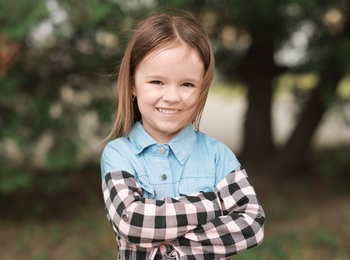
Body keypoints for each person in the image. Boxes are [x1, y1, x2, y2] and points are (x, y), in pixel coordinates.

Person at [101, 12, 265, 260]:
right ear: (133, 84)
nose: (172, 97)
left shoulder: (217, 155)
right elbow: (132, 222)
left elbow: (251, 225)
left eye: (187, 84)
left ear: (202, 88)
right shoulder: (119, 154)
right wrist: (213, 204)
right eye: (157, 82)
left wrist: (170, 249)